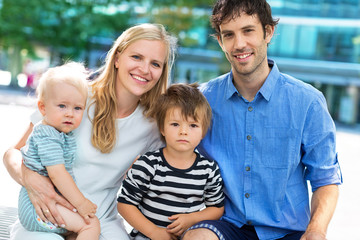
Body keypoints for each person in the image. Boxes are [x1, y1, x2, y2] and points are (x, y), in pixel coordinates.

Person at [182, 0, 342, 240]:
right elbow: (175, 148)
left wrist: (316, 231)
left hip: (289, 231)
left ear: (268, 32)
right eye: (229, 35)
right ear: (220, 41)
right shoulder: (202, 100)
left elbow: (325, 179)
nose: (239, 44)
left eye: (248, 31)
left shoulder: (308, 101)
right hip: (225, 224)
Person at [3, 23, 177, 240]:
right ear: (117, 58)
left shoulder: (153, 124)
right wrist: (30, 179)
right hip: (46, 215)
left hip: (99, 220)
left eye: (155, 64)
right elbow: (13, 152)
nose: (144, 69)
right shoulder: (75, 98)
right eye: (136, 57)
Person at [117, 83, 225, 240]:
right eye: (175, 124)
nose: (183, 131)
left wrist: (192, 219)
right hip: (147, 236)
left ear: (203, 131)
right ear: (162, 128)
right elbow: (125, 204)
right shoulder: (148, 165)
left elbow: (216, 208)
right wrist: (154, 232)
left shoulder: (208, 170)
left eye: (193, 125)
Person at [18, 62, 100, 240]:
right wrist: (81, 203)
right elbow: (57, 174)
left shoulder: (59, 133)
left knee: (75, 232)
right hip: (37, 208)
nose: (70, 113)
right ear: (42, 108)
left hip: (46, 205)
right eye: (62, 106)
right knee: (91, 225)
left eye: (77, 108)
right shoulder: (47, 135)